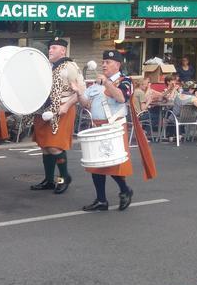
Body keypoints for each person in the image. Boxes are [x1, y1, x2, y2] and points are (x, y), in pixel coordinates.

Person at [73, 50, 134, 212]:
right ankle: (101, 200)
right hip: (97, 125)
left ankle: (125, 189)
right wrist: (79, 93)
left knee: (112, 162)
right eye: (104, 62)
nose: (104, 65)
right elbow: (86, 104)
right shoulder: (96, 84)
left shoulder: (125, 81)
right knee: (96, 162)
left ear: (118, 65)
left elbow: (121, 98)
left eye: (108, 62)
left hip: (114, 126)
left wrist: (106, 83)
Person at [31, 38, 81, 195]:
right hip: (45, 110)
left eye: (54, 47)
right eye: (50, 48)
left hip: (62, 110)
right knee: (45, 147)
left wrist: (66, 106)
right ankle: (49, 180)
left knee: (55, 146)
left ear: (63, 51)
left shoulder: (70, 66)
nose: (50, 50)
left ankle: (63, 178)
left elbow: (81, 90)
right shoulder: (47, 66)